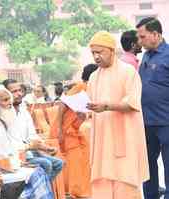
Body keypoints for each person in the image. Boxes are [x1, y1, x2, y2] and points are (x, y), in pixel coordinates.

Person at [86, 31, 149, 199]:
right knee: (102, 180)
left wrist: (106, 106)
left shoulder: (128, 72)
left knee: (124, 182)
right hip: (101, 140)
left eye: (100, 52)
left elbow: (132, 103)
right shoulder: (93, 77)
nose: (96, 57)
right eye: (93, 53)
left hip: (124, 138)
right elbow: (91, 106)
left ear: (112, 51)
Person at [0, 84, 54, 199]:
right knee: (37, 173)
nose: (10, 104)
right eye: (5, 100)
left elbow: (12, 148)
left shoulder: (3, 120)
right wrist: (27, 149)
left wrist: (22, 161)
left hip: (8, 165)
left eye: (10, 100)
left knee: (38, 171)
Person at [2, 79, 63, 181]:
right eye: (14, 92)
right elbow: (10, 145)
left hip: (29, 151)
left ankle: (41, 189)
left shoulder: (23, 111)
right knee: (46, 164)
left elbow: (31, 135)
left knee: (58, 164)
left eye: (20, 90)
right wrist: (29, 147)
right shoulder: (3, 115)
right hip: (15, 155)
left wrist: (46, 148)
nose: (19, 94)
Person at [53, 64, 97, 198]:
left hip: (74, 129)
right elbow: (62, 104)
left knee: (84, 156)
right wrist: (60, 130)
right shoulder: (80, 87)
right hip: (64, 130)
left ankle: (80, 189)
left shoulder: (89, 88)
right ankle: (74, 190)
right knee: (75, 159)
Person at [137, 17, 169, 199]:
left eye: (143, 37)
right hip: (146, 122)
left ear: (155, 34)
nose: (139, 41)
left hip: (166, 122)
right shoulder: (146, 56)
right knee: (147, 166)